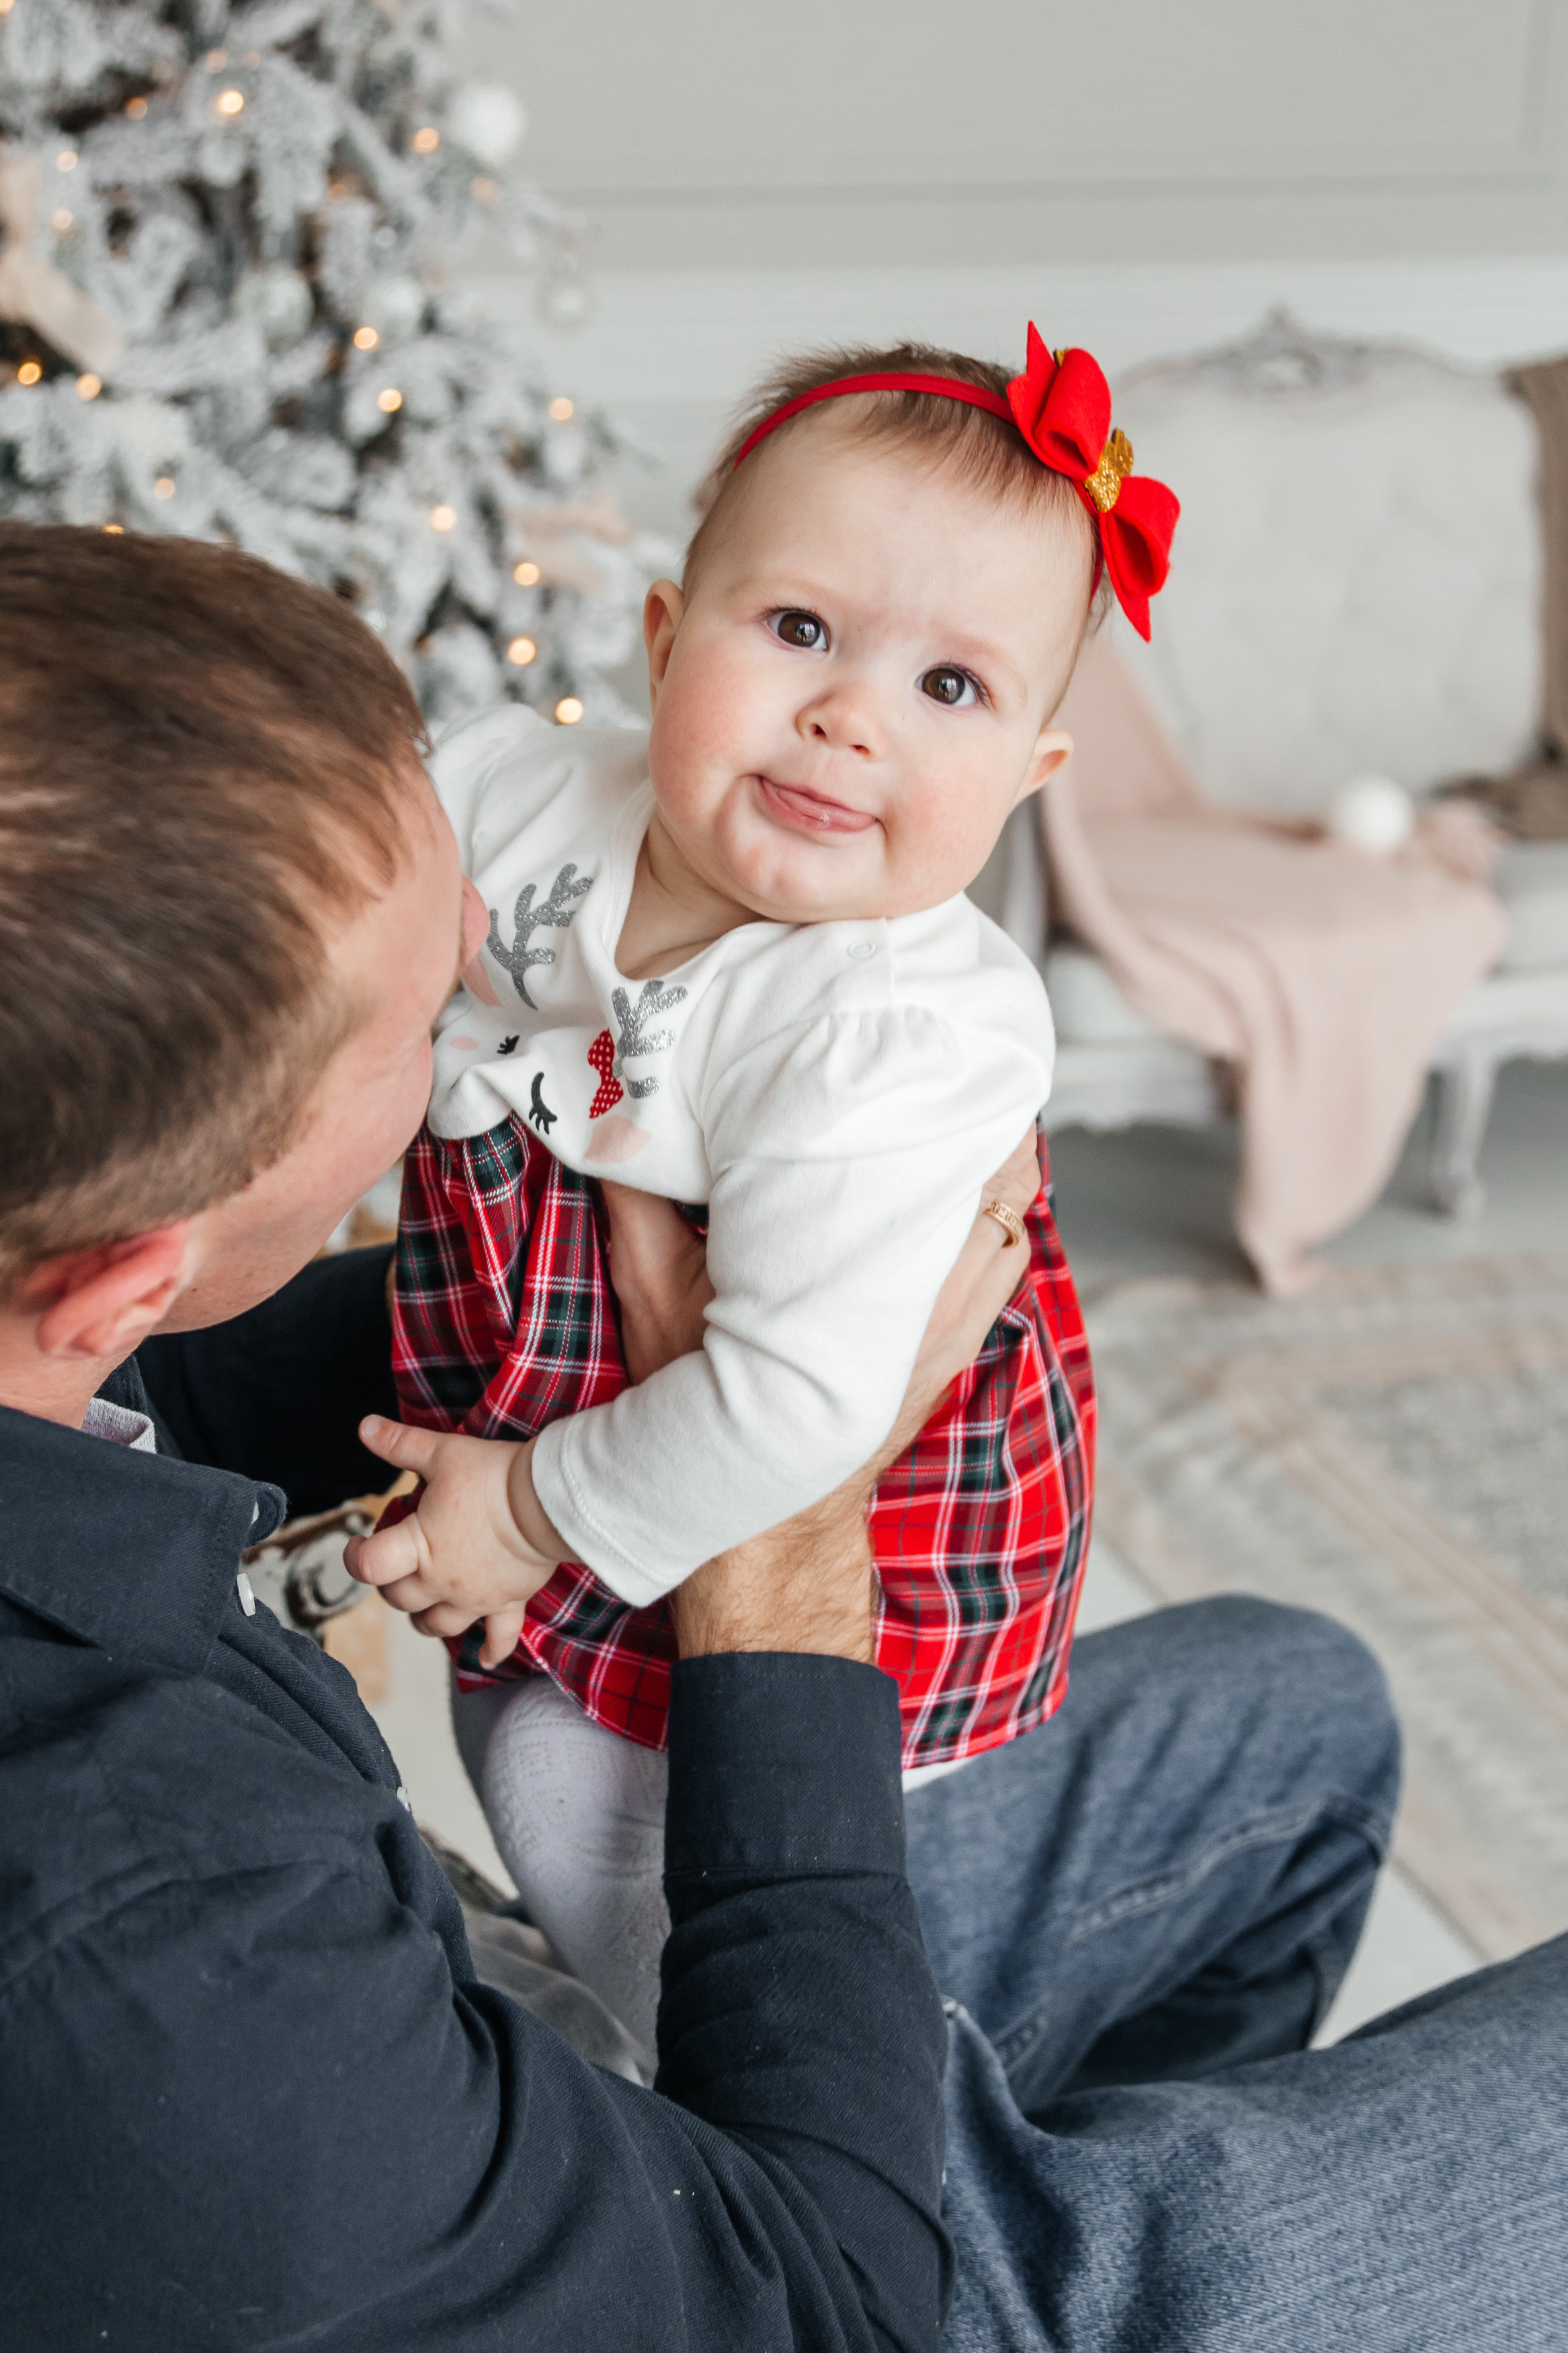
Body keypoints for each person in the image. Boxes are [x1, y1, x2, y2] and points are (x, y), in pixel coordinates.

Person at [3, 523, 1567, 2352]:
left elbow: (195, 1381)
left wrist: (643, 1322)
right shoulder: (151, 1936)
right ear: (119, 1277)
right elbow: (827, 2302)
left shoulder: (59, 1356)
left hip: (480, 2153)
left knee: (1294, 1710)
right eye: (432, 1006)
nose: (491, 969)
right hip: (773, 2280)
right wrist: (776, 1479)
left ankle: (1026, 2167)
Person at [347, 331, 1165, 2035]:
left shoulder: (889, 1029)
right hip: (566, 1414)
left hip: (840, 1527)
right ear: (662, 640)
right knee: (514, 1737)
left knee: (626, 1854)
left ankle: (736, 2114)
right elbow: (343, 899)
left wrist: (526, 1515)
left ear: (1029, 778)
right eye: (798, 629)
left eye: (952, 688)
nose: (847, 713)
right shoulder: (521, 793)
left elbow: (795, 1405)